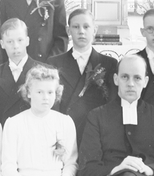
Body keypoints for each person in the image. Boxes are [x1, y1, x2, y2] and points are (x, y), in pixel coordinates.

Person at [49, 9, 118, 140]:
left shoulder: (109, 63)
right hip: (65, 132)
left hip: (96, 132)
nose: (81, 31)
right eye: (76, 27)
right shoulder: (54, 63)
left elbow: (111, 103)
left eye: (86, 27)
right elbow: (53, 104)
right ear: (68, 30)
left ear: (95, 30)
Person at [0, 19, 38, 127]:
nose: (15, 46)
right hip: (3, 131)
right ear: (2, 44)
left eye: (20, 40)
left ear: (27, 41)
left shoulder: (42, 72)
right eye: (10, 41)